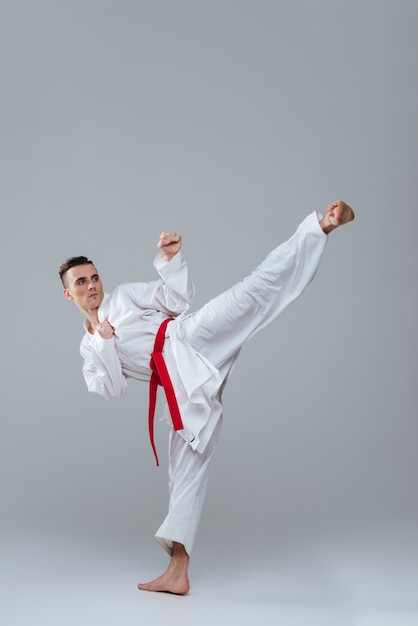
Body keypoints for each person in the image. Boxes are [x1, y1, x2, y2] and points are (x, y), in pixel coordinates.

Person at [59, 200, 354, 595]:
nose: (92, 285)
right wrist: (104, 343)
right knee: (185, 472)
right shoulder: (88, 350)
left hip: (188, 339)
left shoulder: (125, 297)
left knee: (252, 291)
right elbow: (114, 390)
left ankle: (320, 228)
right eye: (81, 282)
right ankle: (177, 571)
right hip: (181, 387)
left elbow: (178, 302)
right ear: (68, 294)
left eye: (94, 277)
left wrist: (172, 259)